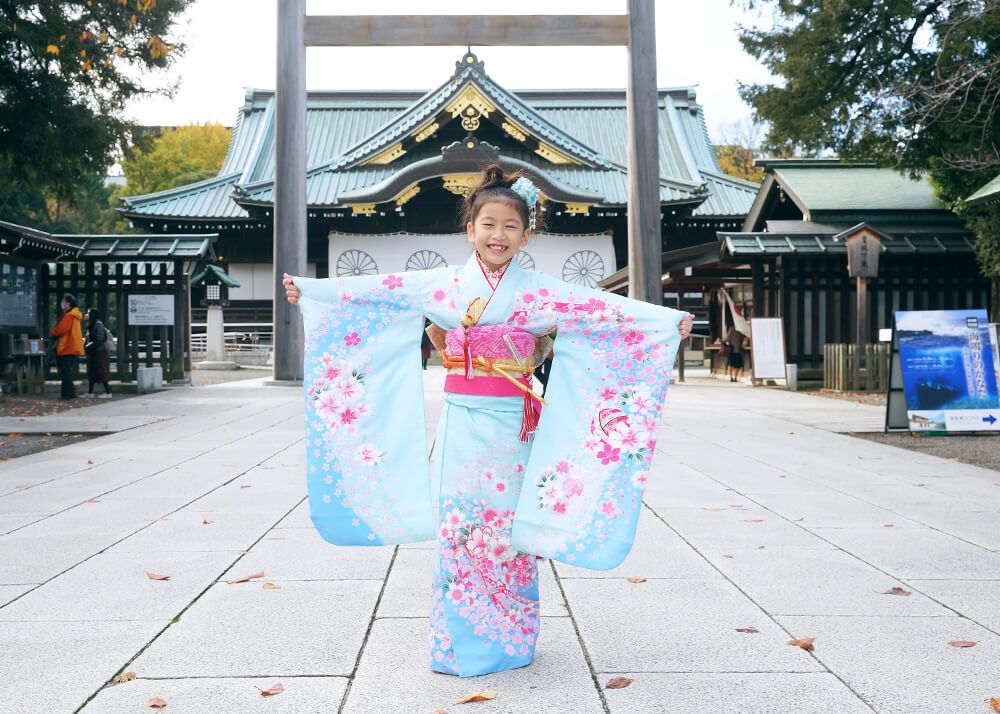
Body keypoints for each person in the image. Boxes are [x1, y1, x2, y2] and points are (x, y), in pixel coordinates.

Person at [283, 164, 694, 678]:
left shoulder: (538, 291)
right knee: (460, 526)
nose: (498, 235)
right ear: (470, 229)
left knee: (507, 531)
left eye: (510, 227)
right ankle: (454, 645)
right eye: (488, 224)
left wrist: (662, 322)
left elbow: (600, 310)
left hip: (512, 427)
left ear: (526, 234)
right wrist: (314, 292)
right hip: (461, 423)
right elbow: (381, 291)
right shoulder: (445, 285)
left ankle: (509, 639)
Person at [50, 294, 84, 400]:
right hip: (72, 346)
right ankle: (66, 393)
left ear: (68, 304)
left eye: (63, 302)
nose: (61, 304)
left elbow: (62, 330)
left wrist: (52, 331)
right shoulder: (74, 315)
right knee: (67, 371)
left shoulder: (69, 316)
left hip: (66, 347)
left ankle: (68, 393)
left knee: (65, 372)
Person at [83, 308, 112, 399]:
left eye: (88, 313)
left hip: (99, 351)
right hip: (94, 351)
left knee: (101, 371)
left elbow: (99, 339)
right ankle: (90, 392)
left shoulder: (98, 324)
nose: (86, 315)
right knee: (92, 372)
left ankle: (108, 392)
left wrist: (89, 346)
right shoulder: (91, 324)